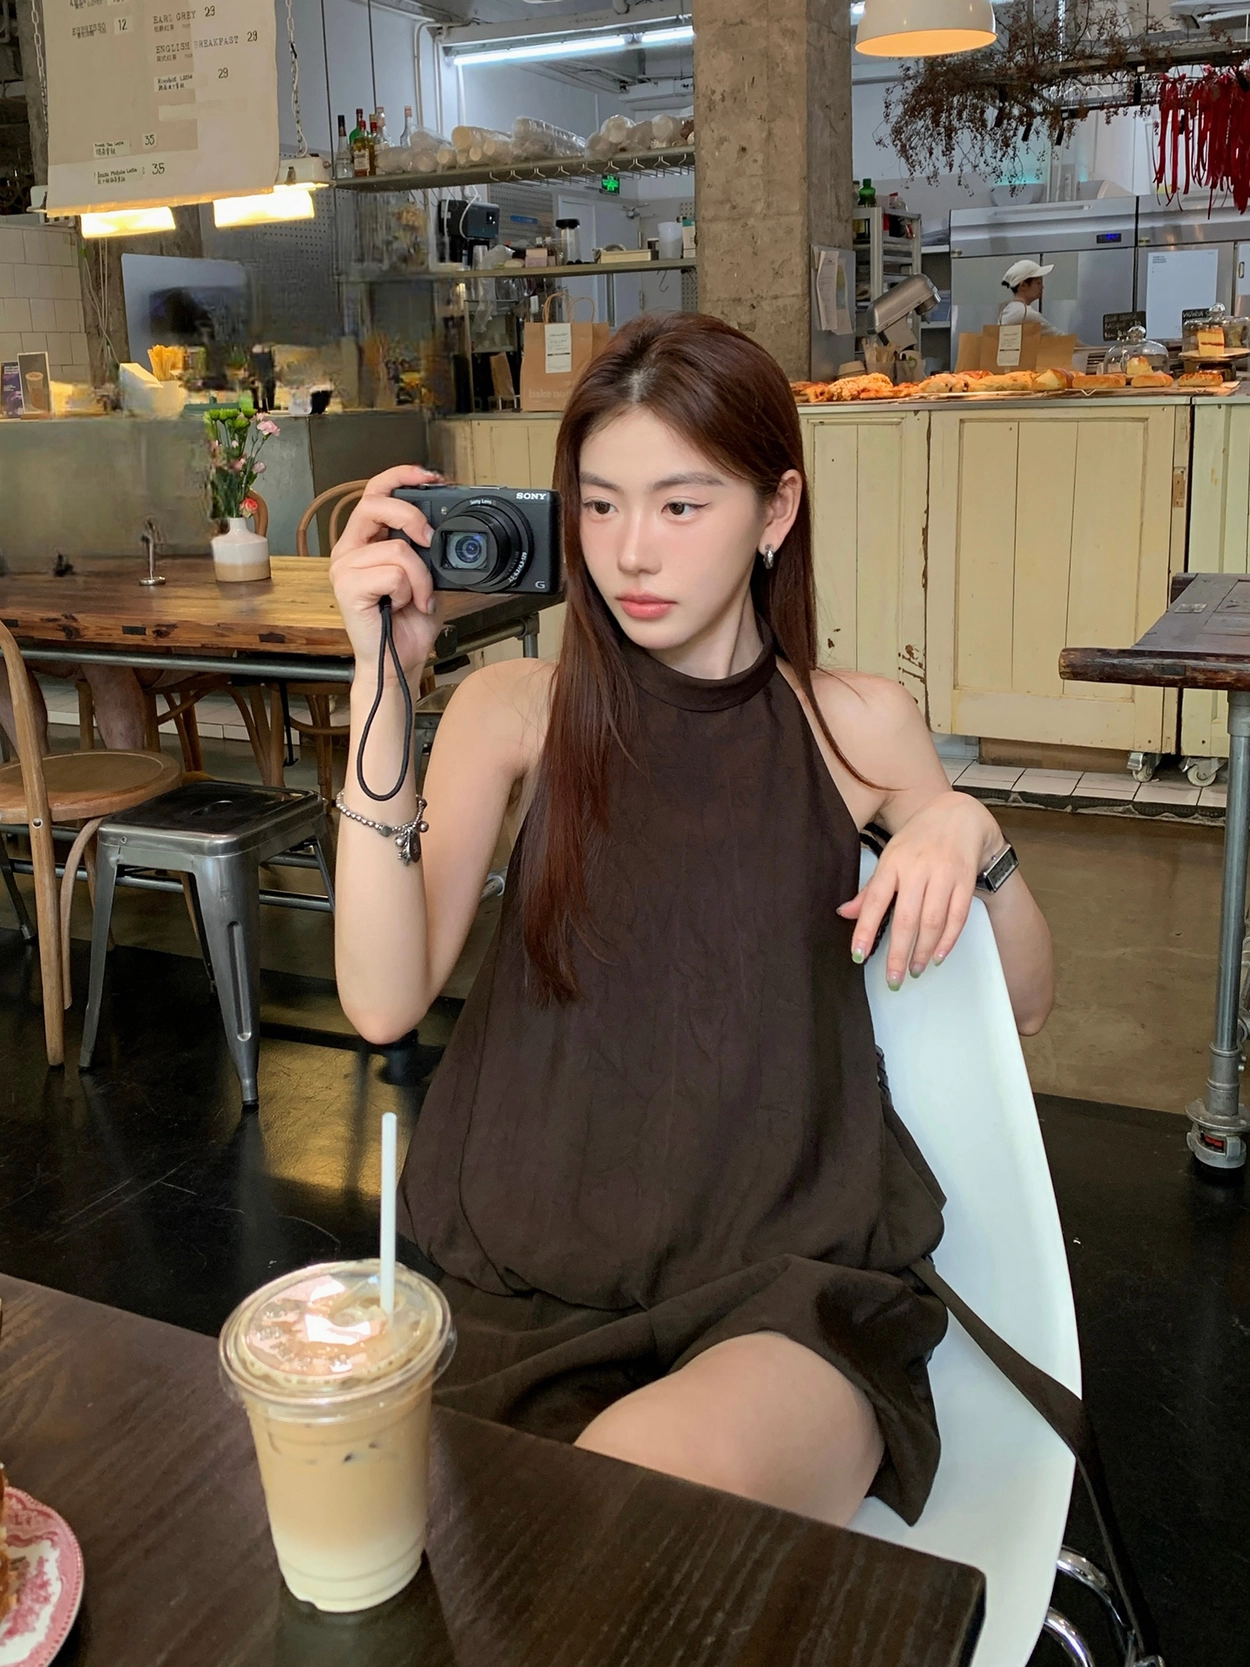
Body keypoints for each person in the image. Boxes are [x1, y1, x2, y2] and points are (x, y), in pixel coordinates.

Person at [329, 313, 1053, 1530]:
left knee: (622, 1513)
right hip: (520, 1277)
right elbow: (381, 996)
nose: (630, 551)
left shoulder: (853, 727)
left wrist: (967, 830)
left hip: (782, 1287)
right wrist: (381, 681)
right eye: (598, 505)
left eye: (679, 504)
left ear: (775, 511)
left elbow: (1023, 1002)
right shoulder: (514, 712)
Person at [999, 258, 1060, 335]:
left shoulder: (1007, 309)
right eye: (1038, 283)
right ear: (1023, 285)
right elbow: (1060, 337)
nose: (1042, 287)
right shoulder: (1025, 313)